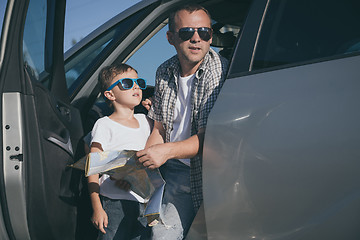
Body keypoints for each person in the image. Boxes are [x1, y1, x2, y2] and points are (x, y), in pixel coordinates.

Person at [137, 4, 228, 239]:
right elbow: (159, 127)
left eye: (204, 32)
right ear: (171, 37)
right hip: (172, 169)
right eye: (187, 32)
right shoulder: (164, 70)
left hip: (209, 170)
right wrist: (142, 165)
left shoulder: (217, 70)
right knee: (158, 235)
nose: (196, 39)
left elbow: (209, 138)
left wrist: (165, 151)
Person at [87, 63, 152, 240]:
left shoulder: (146, 120)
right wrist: (97, 207)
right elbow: (93, 167)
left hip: (145, 203)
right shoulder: (104, 125)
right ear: (109, 94)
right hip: (114, 202)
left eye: (138, 82)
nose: (136, 86)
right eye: (127, 83)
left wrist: (154, 110)